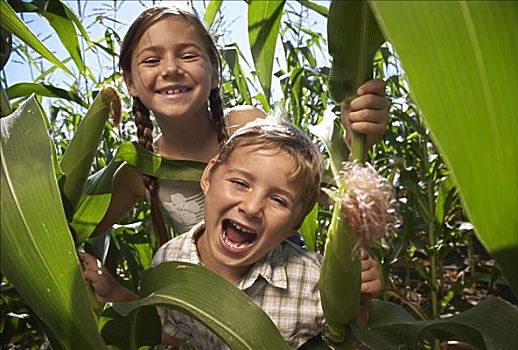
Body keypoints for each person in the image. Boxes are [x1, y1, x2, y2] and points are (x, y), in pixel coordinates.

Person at [89, 5, 390, 243]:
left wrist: (356, 139)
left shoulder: (247, 126)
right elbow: (74, 231)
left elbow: (322, 191)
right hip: (215, 306)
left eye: (188, 55)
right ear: (130, 83)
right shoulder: (138, 169)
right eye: (151, 61)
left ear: (215, 74)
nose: (170, 69)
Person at [81, 117, 381, 349]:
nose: (251, 207)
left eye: (278, 200)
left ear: (295, 225)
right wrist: (113, 293)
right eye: (240, 183)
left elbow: (345, 339)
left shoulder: (314, 279)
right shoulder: (169, 261)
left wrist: (358, 299)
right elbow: (171, 333)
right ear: (209, 176)